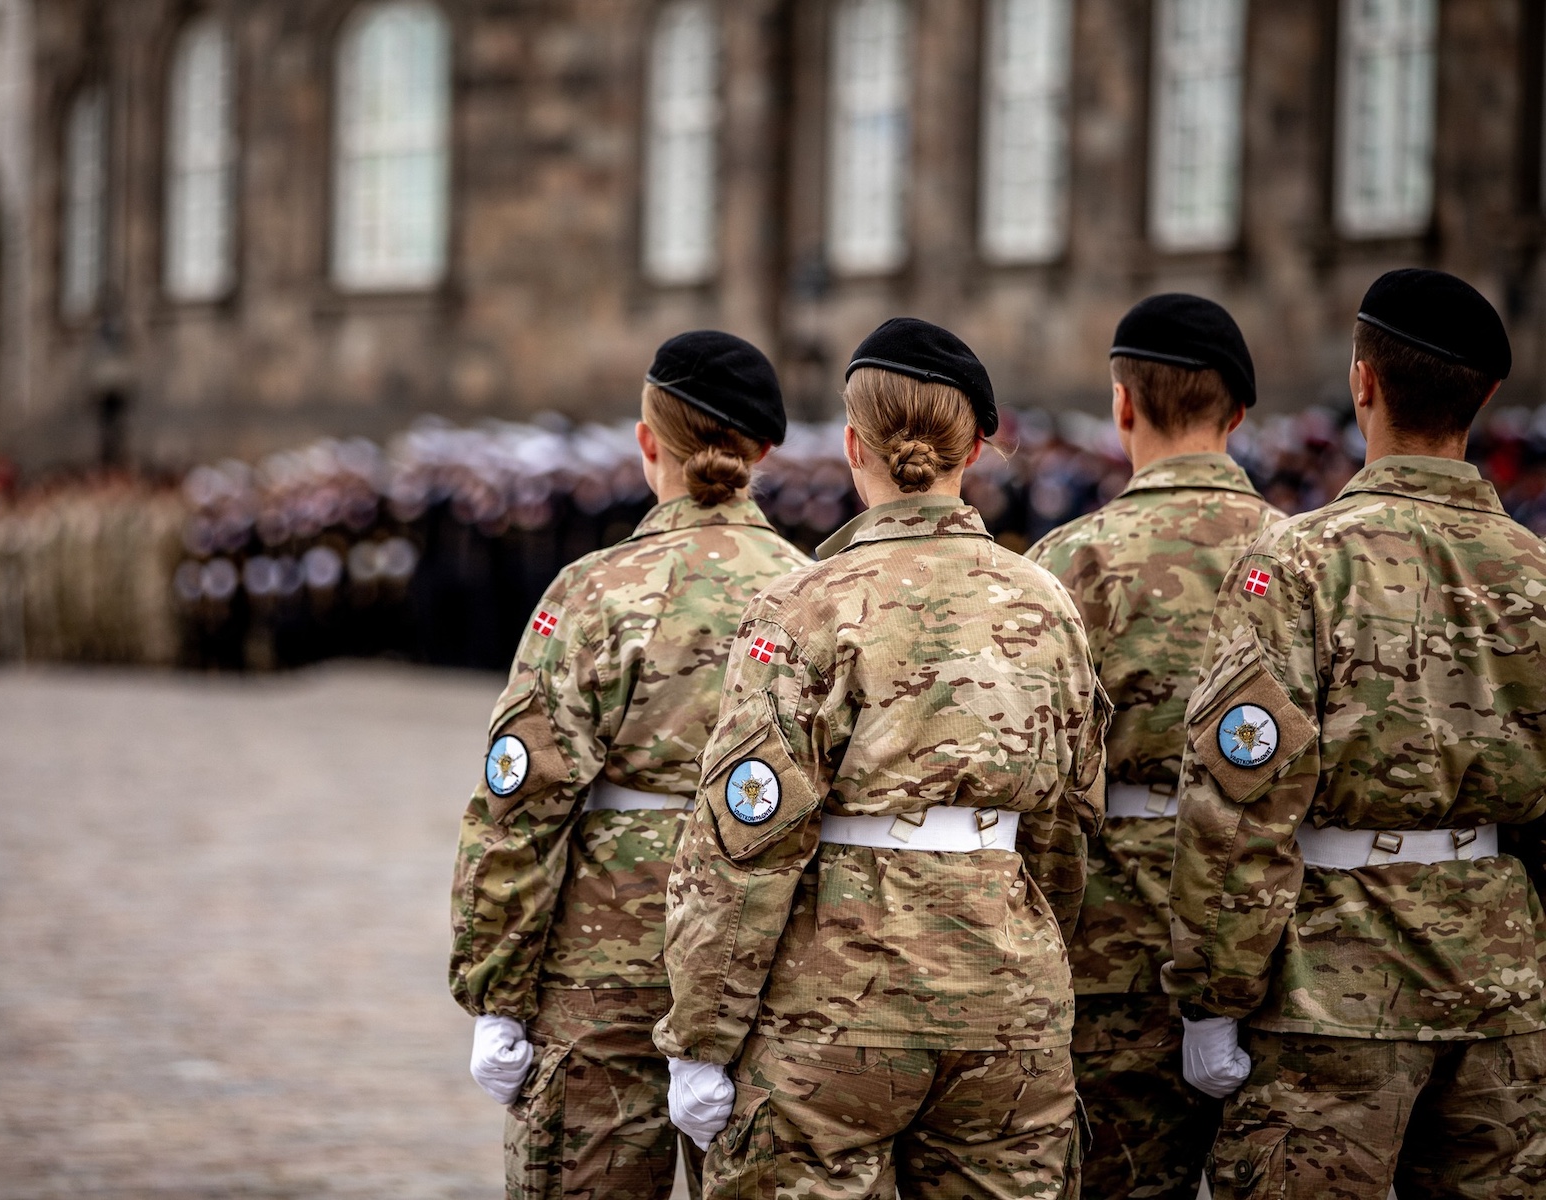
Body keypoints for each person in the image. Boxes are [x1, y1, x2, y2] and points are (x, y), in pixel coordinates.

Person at [654, 318, 1109, 1199]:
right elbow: (1064, 830)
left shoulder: (803, 604)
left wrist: (701, 1036)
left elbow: (743, 844)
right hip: (1007, 1002)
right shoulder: (1046, 602)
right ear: (977, 445)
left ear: (853, 443)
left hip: (836, 1014)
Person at [1163, 269, 1546, 1198]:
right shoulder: (1538, 571)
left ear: (1361, 383)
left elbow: (1240, 802)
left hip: (1333, 991)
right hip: (1506, 986)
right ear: (1487, 399)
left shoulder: (1299, 562)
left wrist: (1212, 996)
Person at [448, 331, 810, 1200]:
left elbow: (523, 805)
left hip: (603, 972)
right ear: (761, 453)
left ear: (649, 442)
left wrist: (495, 985)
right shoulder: (816, 589)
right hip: (766, 968)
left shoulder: (595, 590)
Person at [1026, 295, 1280, 1197]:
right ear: (1238, 415)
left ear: (1122, 405)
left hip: (1107, 940)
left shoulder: (1065, 562)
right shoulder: (1304, 556)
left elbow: (1037, 772)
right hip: (1282, 939)